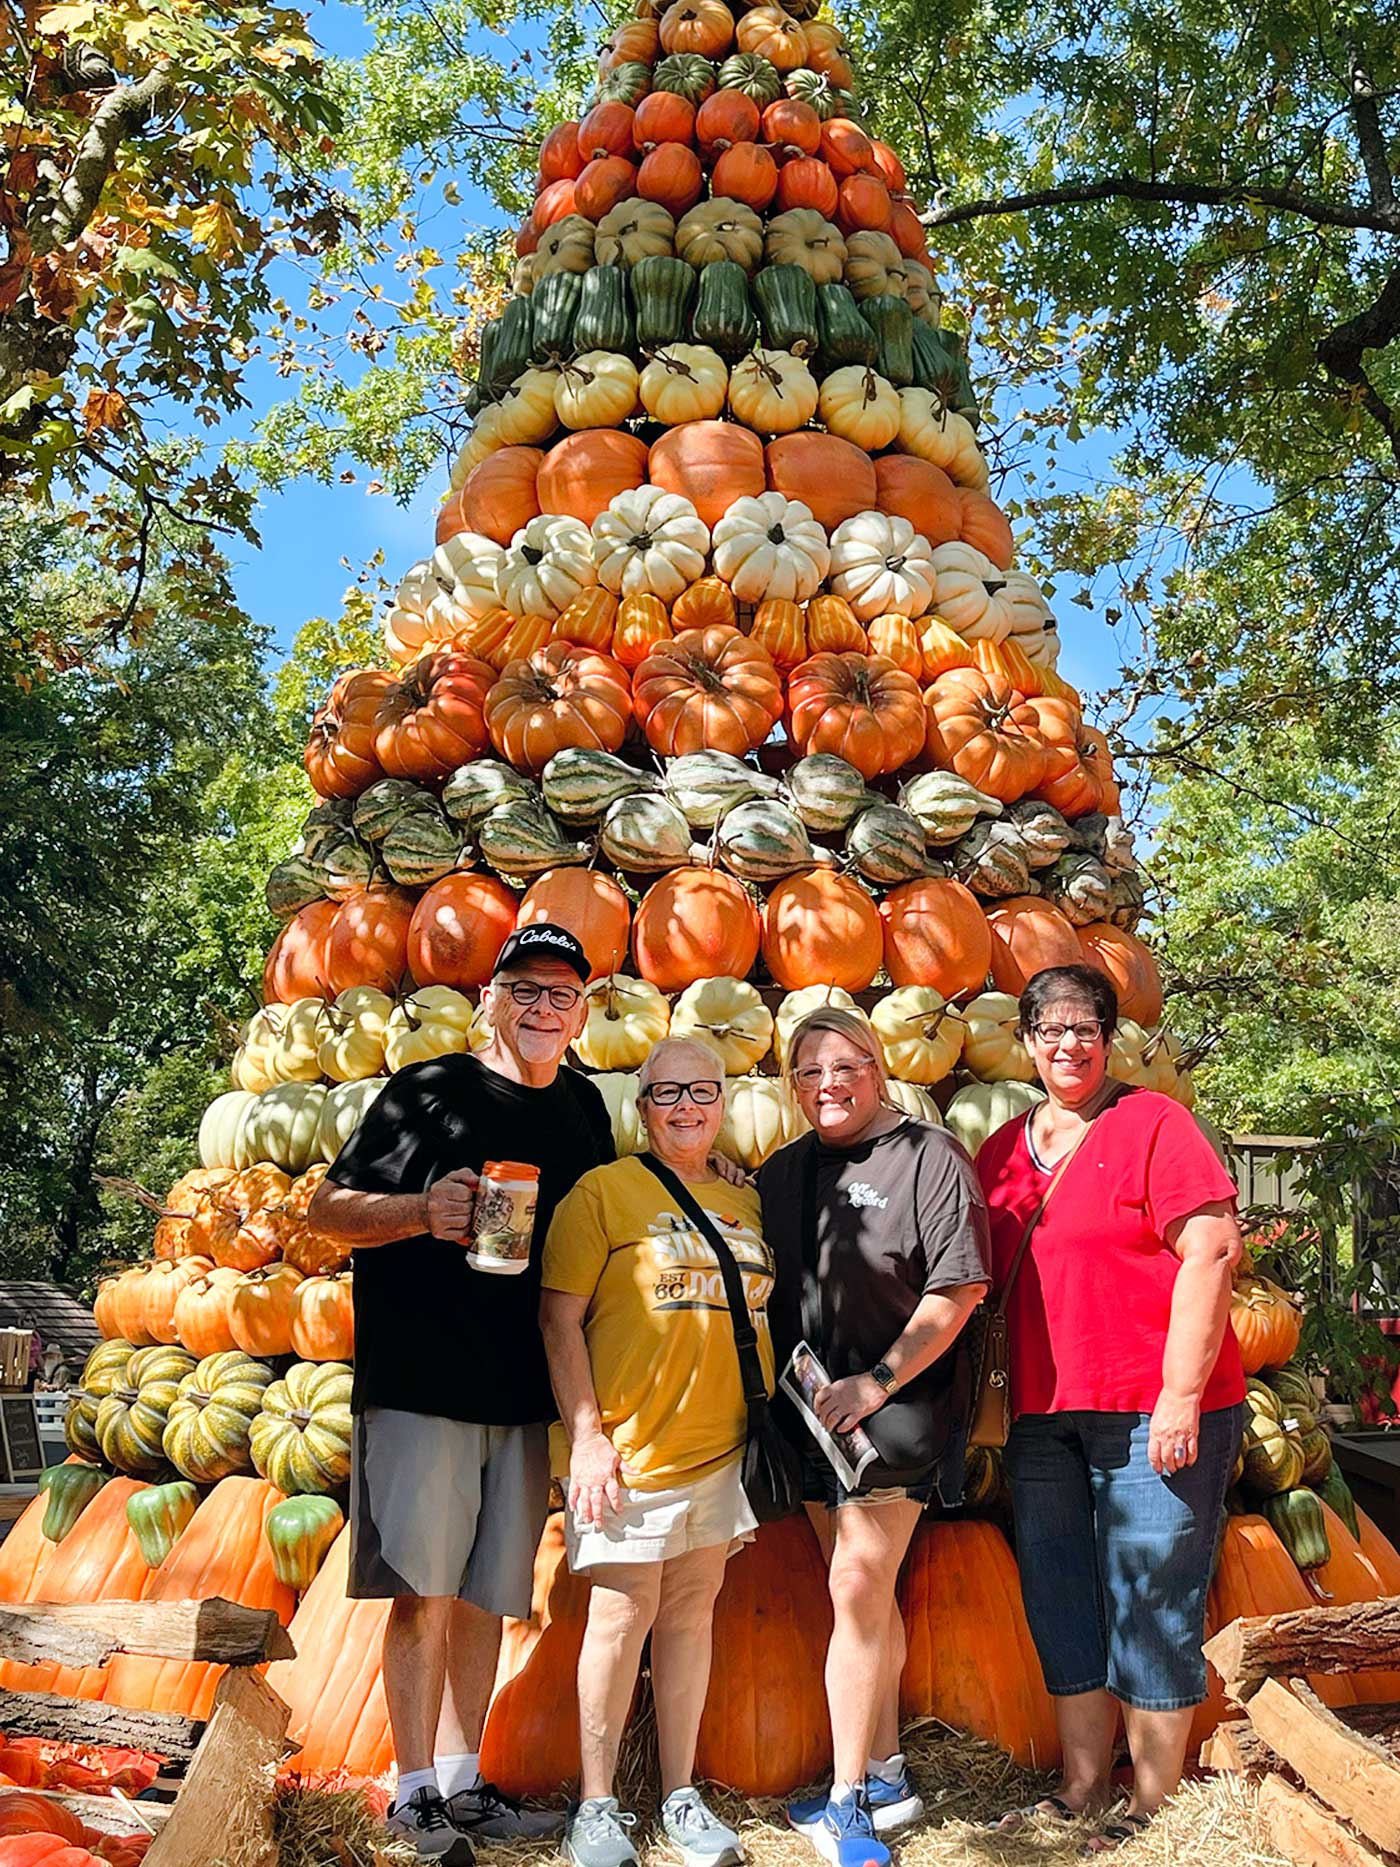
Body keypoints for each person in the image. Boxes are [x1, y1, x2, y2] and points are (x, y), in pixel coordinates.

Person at [308, 924, 615, 1863]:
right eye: (525, 989)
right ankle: (410, 1795)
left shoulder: (584, 1110)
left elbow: (605, 1227)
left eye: (562, 994)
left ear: (581, 1014)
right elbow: (324, 1212)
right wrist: (419, 1210)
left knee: (489, 1593)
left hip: (521, 1390)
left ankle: (462, 1779)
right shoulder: (426, 1090)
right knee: (424, 1590)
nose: (542, 1008)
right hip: (423, 1382)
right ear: (490, 996)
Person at [976, 964, 1244, 1851]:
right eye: (1050, 1029)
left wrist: (1179, 1395)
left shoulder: (1155, 1123)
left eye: (1086, 1027)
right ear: (1025, 1042)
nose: (1069, 1044)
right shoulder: (1003, 1152)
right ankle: (1084, 1784)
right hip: (1044, 1416)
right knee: (1061, 1595)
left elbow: (1210, 1251)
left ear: (1109, 1037)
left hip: (1153, 1411)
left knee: (1153, 1597)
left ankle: (1152, 1802)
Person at [757, 1008, 990, 1867]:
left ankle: (847, 1801)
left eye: (846, 1066)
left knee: (856, 1582)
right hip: (812, 1417)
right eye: (810, 1071)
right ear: (792, 1085)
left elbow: (957, 1290)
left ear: (879, 1068)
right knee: (859, 1592)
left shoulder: (929, 1157)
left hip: (897, 1411)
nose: (829, 1084)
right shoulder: (781, 1173)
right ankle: (888, 1770)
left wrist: (880, 1379)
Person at [540, 1036, 771, 1867]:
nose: (685, 1107)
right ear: (642, 1107)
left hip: (722, 1451)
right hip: (630, 1453)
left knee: (689, 1615)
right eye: (667, 1092)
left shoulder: (748, 1203)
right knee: (619, 1615)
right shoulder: (602, 1194)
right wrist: (589, 1437)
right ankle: (597, 1807)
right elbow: (558, 1319)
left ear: (722, 1100)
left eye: (701, 1091)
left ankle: (678, 1793)